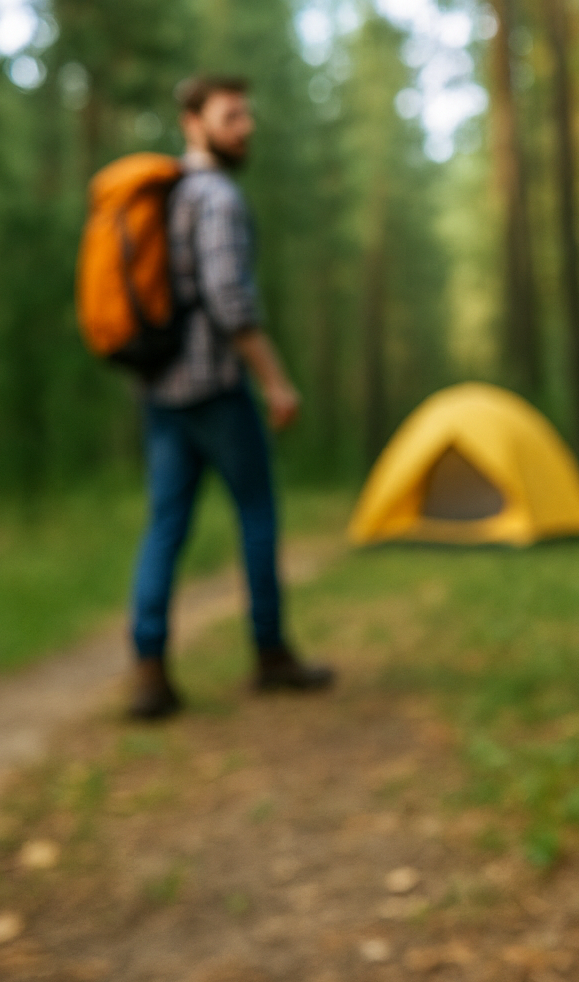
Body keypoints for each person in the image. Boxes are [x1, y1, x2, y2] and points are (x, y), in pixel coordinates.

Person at [128, 74, 333, 720]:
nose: (245, 128)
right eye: (230, 117)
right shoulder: (216, 197)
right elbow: (229, 300)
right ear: (193, 123)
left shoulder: (165, 198)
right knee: (257, 515)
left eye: (247, 116)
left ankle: (149, 668)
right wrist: (274, 379)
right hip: (216, 388)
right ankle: (271, 654)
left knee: (165, 526)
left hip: (161, 392)